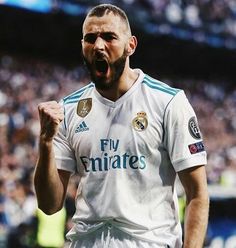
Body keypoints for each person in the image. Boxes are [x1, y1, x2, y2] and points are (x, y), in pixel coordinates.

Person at [34, 3, 209, 248]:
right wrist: (45, 142)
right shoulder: (69, 110)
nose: (98, 46)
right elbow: (49, 205)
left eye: (109, 37)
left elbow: (197, 194)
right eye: (90, 38)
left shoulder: (168, 102)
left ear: (131, 45)